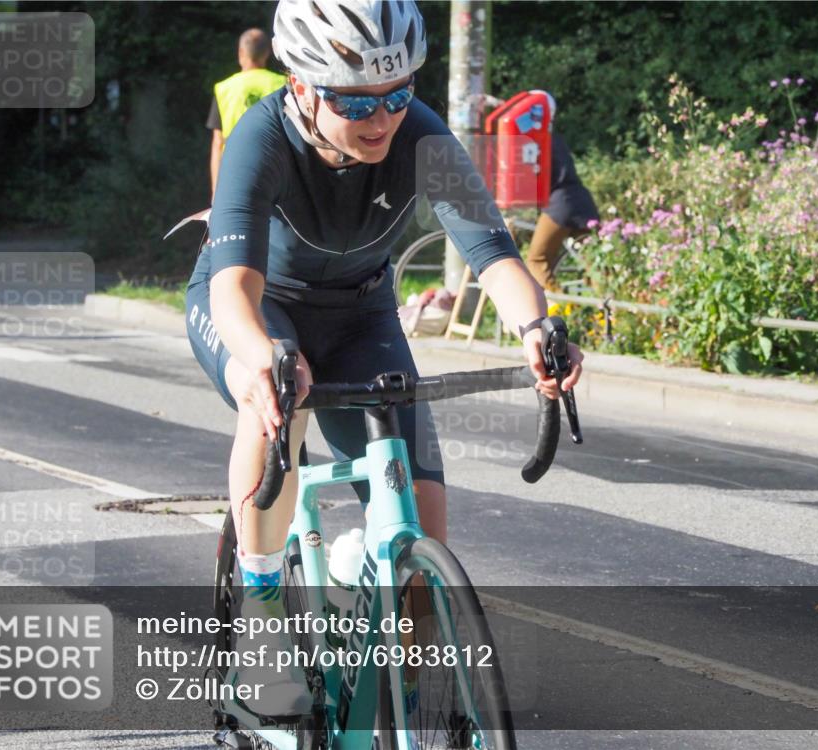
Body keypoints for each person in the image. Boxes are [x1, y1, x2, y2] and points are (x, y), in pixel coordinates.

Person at [185, 0, 583, 724]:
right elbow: (232, 294)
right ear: (302, 87)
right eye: (355, 100)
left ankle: (359, 579)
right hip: (256, 307)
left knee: (421, 553)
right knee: (274, 404)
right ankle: (266, 620)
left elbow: (491, 253)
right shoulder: (259, 137)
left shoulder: (421, 136)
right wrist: (268, 356)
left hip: (362, 311)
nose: (382, 118)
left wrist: (536, 326)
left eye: (398, 94)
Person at [206, 28, 286, 199]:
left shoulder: (224, 88)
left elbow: (217, 142)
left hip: (234, 167)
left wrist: (216, 191)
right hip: (277, 162)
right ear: (267, 53)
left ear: (241, 52)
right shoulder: (283, 84)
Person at [524, 131, 600, 292]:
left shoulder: (529, 141)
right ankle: (611, 307)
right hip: (583, 200)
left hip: (559, 204)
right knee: (596, 260)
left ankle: (557, 305)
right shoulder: (553, 136)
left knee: (537, 261)